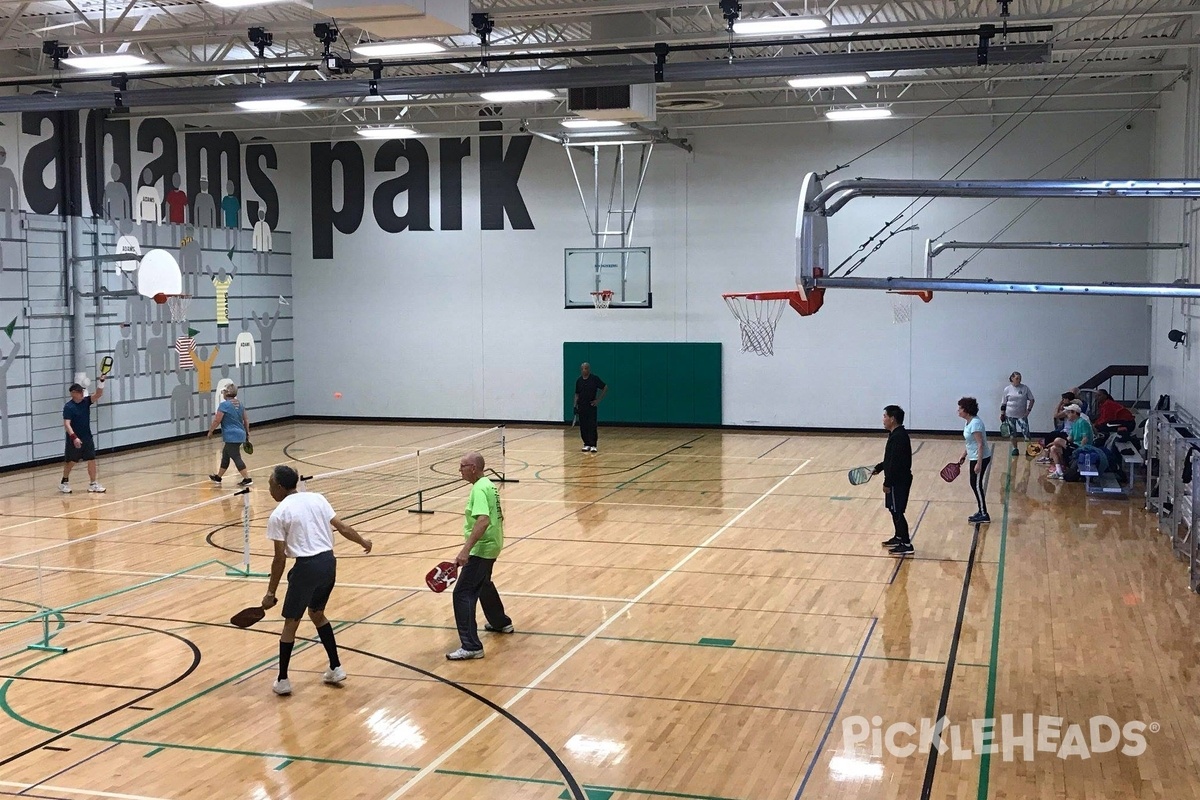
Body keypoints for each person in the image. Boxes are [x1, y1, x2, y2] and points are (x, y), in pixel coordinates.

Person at [263, 465, 372, 696]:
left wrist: (271, 593)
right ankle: (336, 667)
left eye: (271, 484)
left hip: (306, 568)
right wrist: (363, 542)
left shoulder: (279, 514)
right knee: (317, 614)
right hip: (328, 564)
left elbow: (279, 560)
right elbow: (342, 527)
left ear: (280, 487)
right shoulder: (317, 498)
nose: (269, 489)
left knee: (291, 623)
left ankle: (282, 680)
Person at [448, 451, 513, 661]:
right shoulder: (488, 485)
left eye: (462, 466)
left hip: (481, 549)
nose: (460, 470)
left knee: (462, 593)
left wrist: (466, 550)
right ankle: (500, 622)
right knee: (483, 583)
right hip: (492, 545)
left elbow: (483, 520)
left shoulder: (479, 489)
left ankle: (471, 645)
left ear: (473, 468)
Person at [874, 405, 913, 556]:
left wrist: (887, 483)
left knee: (897, 511)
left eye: (885, 416)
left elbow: (896, 463)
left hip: (898, 481)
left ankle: (906, 543)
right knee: (892, 509)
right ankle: (898, 537)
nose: (883, 419)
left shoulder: (899, 437)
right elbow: (890, 459)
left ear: (892, 419)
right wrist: (880, 467)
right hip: (896, 479)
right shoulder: (895, 434)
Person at [60, 377, 106, 494]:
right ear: (73, 394)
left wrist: (101, 382)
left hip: (87, 437)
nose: (82, 393)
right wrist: (74, 437)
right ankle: (64, 482)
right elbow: (67, 424)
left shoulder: (86, 402)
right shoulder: (69, 407)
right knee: (71, 461)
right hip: (74, 438)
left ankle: (93, 483)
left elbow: (98, 394)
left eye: (82, 391)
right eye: (79, 391)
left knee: (91, 459)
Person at [206, 383, 252, 486]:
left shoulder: (224, 405)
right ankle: (218, 477)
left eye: (224, 391)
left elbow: (217, 420)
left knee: (236, 456)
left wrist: (211, 431)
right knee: (226, 455)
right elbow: (246, 419)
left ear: (227, 393)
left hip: (231, 436)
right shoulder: (240, 404)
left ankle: (247, 479)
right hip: (240, 434)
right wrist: (247, 432)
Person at [956, 397, 993, 524]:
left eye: (960, 408)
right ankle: (981, 510)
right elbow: (969, 442)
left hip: (980, 457)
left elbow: (980, 444)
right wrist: (964, 455)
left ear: (966, 410)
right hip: (973, 456)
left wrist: (979, 463)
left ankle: (984, 514)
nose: (958, 410)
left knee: (976, 485)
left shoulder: (976, 423)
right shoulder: (969, 422)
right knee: (974, 484)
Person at [1048, 404, 1095, 480]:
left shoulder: (1082, 422)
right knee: (1053, 448)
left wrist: (1081, 449)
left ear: (1074, 413)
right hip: (1074, 446)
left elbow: (1085, 438)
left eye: (1068, 413)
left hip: (1080, 447)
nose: (1067, 415)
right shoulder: (1075, 423)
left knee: (1057, 440)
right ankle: (1059, 471)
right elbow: (1069, 439)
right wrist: (1054, 443)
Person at [573, 362, 608, 453]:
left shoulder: (594, 379)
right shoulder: (579, 381)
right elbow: (577, 394)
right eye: (582, 369)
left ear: (589, 369)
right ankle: (586, 444)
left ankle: (593, 445)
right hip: (581, 406)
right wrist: (575, 406)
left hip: (591, 406)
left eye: (585, 368)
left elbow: (605, 387)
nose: (584, 370)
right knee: (583, 426)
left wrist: (598, 400)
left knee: (592, 425)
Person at [1000, 371, 1035, 457]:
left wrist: (1028, 410)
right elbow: (1003, 403)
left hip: (1022, 416)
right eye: (1017, 378)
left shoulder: (1025, 388)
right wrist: (1002, 414)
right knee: (1012, 433)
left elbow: (1032, 399)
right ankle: (1015, 448)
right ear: (1012, 378)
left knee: (1026, 433)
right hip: (1010, 415)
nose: (1019, 380)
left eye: (1020, 378)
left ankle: (1028, 449)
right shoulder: (1007, 389)